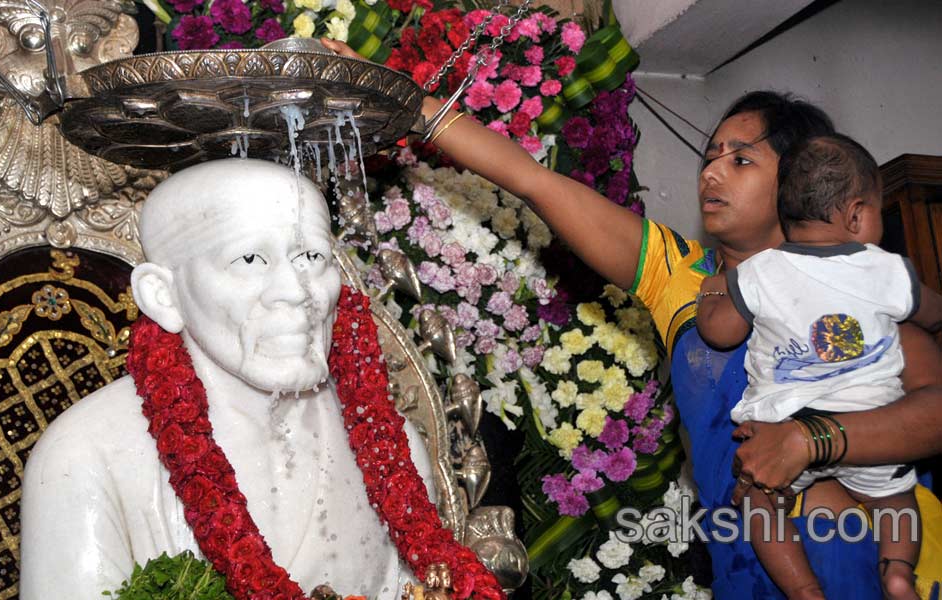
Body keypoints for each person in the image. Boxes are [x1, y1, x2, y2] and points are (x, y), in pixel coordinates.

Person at [322, 34, 942, 600]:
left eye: (742, 158)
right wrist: (409, 103)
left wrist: (813, 439)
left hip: (868, 555)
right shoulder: (684, 276)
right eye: (711, 154)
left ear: (801, 181)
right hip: (744, 566)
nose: (712, 169)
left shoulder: (855, 278)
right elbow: (533, 183)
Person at [19, 159, 438, 599]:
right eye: (251, 259)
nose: (297, 290)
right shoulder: (84, 456)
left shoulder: (393, 450)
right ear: (163, 296)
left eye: (312, 256)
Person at [697, 134, 942, 599]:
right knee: (896, 500)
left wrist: (714, 289)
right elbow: (932, 312)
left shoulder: (758, 271)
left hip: (782, 424)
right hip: (871, 424)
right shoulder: (888, 268)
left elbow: (719, 331)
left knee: (759, 505)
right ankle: (896, 572)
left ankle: (805, 590)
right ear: (856, 214)